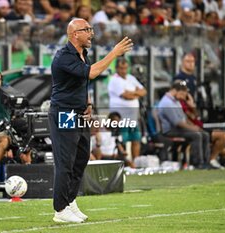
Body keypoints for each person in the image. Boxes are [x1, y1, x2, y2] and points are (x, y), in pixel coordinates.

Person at [49, 18, 133, 223]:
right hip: (65, 113)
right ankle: (60, 209)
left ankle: (70, 201)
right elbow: (92, 73)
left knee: (81, 158)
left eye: (91, 29)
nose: (91, 33)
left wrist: (88, 104)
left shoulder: (83, 55)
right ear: (74, 34)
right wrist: (114, 53)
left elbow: (82, 83)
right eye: (86, 29)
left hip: (79, 113)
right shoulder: (63, 57)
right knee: (65, 161)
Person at [157, 80, 210, 169]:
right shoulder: (167, 103)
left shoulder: (176, 101)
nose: (184, 97)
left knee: (205, 134)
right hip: (169, 131)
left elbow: (185, 118)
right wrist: (193, 128)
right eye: (183, 93)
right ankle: (197, 163)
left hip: (179, 129)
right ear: (176, 91)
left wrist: (192, 107)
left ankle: (206, 162)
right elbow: (177, 123)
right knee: (196, 135)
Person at [108, 57, 147, 162]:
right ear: (116, 68)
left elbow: (143, 91)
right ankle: (124, 163)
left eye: (125, 68)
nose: (123, 71)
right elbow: (126, 96)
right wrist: (135, 93)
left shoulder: (131, 78)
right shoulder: (114, 80)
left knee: (136, 139)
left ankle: (135, 162)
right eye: (121, 68)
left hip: (133, 117)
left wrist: (133, 93)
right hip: (121, 117)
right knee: (122, 140)